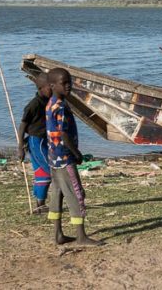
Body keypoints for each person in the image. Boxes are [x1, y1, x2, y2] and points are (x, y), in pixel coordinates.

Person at [45, 68, 101, 245]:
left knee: (58, 194)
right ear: (53, 86)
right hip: (64, 157)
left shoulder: (51, 103)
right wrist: (77, 154)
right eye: (64, 83)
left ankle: (57, 234)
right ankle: (81, 236)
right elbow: (64, 135)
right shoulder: (60, 106)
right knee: (76, 194)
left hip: (53, 157)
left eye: (70, 82)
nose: (69, 86)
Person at [15, 73, 52, 213]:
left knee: (42, 174)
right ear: (41, 88)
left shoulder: (48, 101)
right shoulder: (33, 105)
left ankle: (40, 205)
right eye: (50, 87)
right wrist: (20, 146)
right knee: (50, 171)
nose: (52, 89)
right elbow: (23, 126)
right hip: (36, 141)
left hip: (45, 140)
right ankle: (44, 204)